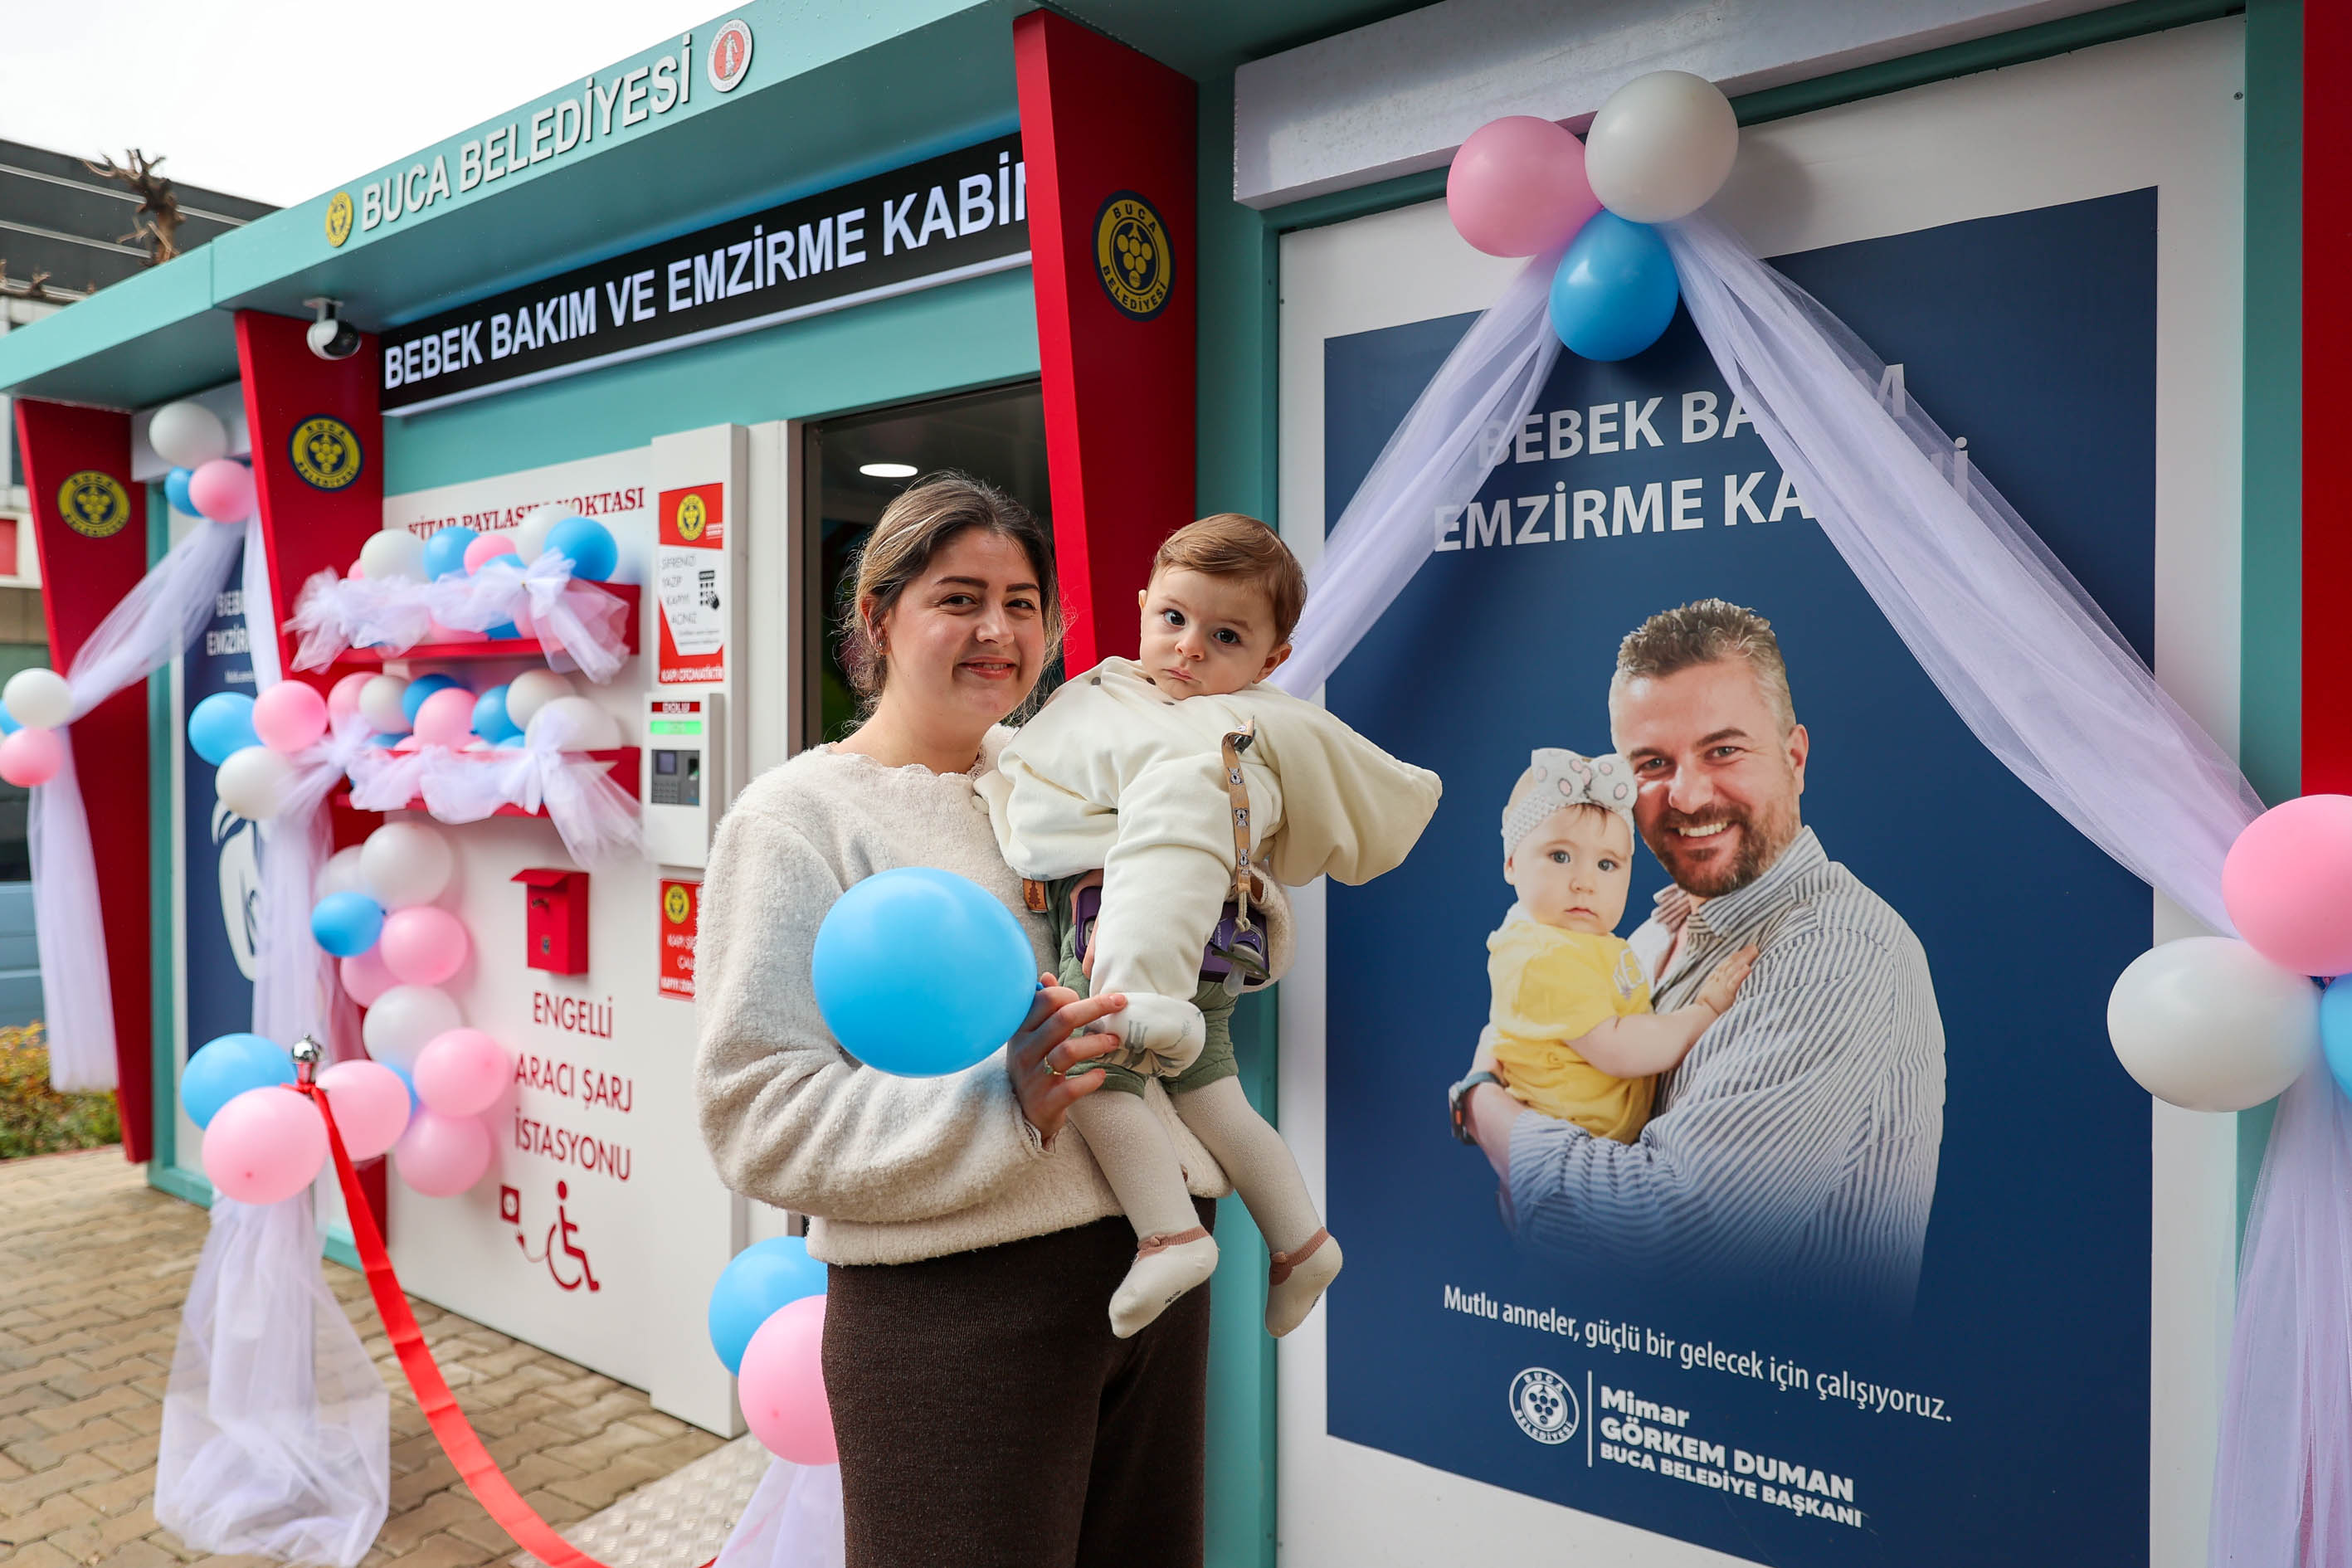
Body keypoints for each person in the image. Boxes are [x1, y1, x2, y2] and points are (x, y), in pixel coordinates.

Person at [695, 474, 1228, 1568]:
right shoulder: (798, 818)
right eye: (958, 597)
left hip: (1154, 1271)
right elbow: (753, 1110)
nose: (998, 630)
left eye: (1023, 600)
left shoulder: (1069, 788)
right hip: (956, 1309)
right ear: (878, 617)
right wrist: (999, 1103)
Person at [982, 514, 1442, 1338]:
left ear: (1272, 662)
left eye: (1223, 635)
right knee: (1214, 1094)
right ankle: (1303, 1242)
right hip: (1214, 949)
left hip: (1141, 943)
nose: (1190, 648)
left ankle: (1169, 1235)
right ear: (1143, 605)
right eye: (1173, 619)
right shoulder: (1138, 698)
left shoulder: (1214, 736)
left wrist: (1138, 989)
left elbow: (1174, 851)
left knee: (1087, 1071)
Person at [1451, 601, 1945, 1312]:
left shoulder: (1839, 955)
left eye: (1722, 750)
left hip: (1775, 1407)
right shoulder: (1643, 938)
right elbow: (1541, 1222)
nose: (1685, 794)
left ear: (1794, 757)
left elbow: (1659, 1242)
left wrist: (1481, 1105)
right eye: (1652, 764)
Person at [1468, 748, 1754, 1144]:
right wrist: (1703, 1012)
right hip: (1573, 1154)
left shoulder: (1576, 940)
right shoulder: (1544, 957)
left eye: (1607, 865)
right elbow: (1618, 1049)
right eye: (1560, 856)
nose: (1585, 881)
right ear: (1512, 863)